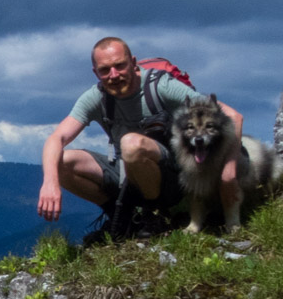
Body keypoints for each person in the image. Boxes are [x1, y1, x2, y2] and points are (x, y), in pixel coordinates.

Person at [37, 36, 244, 230]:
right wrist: (50, 182)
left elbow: (233, 117)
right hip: (128, 174)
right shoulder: (95, 97)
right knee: (61, 161)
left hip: (174, 178)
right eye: (105, 70)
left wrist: (228, 173)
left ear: (133, 62)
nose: (114, 75)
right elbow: (56, 138)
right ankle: (122, 216)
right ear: (96, 73)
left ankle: (154, 215)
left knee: (131, 144)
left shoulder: (161, 86)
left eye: (120, 65)